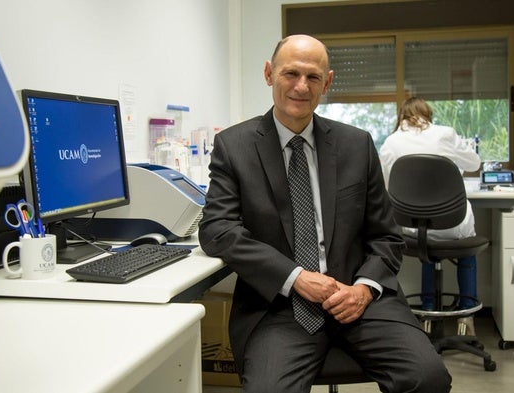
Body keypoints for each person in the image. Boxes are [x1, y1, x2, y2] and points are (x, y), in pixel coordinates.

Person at [199, 35, 451, 393]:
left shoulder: (357, 144)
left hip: (358, 299)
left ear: (328, 82)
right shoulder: (235, 146)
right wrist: (296, 277)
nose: (301, 86)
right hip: (281, 306)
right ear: (269, 74)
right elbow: (217, 230)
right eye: (291, 73)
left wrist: (363, 289)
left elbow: (387, 236)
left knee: (428, 378)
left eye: (313, 77)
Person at [379, 96, 481, 335]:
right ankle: (466, 316)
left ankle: (426, 312)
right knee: (464, 248)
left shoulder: (391, 142)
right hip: (452, 224)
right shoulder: (445, 134)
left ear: (402, 116)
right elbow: (475, 162)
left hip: (412, 228)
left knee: (428, 246)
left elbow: (386, 186)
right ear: (428, 114)